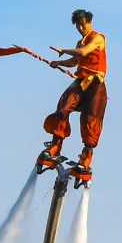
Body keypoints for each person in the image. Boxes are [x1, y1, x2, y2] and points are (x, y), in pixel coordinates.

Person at [36, 10, 107, 181]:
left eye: (84, 24)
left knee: (90, 118)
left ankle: (86, 158)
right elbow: (75, 61)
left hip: (95, 84)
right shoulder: (79, 42)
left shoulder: (98, 38)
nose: (81, 28)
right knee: (64, 105)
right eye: (78, 25)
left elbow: (83, 53)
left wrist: (64, 50)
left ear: (90, 21)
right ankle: (55, 146)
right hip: (81, 82)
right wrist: (59, 62)